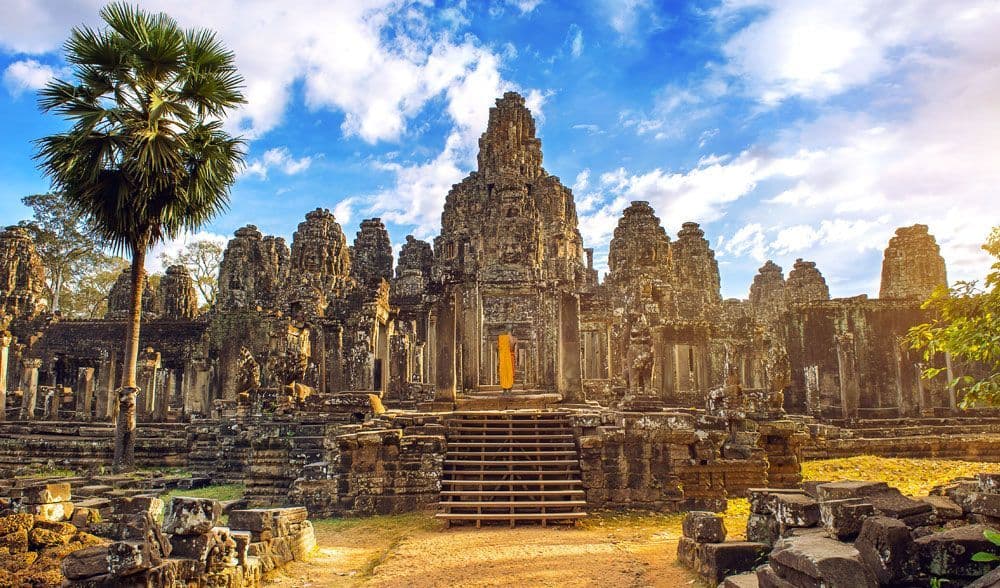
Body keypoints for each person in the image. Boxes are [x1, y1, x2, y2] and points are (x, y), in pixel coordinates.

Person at [498, 325, 517, 393]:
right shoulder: (514, 339)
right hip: (511, 357)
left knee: (504, 372)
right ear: (513, 331)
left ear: (506, 330)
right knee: (511, 373)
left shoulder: (502, 338)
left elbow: (500, 349)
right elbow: (514, 350)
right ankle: (510, 389)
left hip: (504, 358)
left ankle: (504, 389)